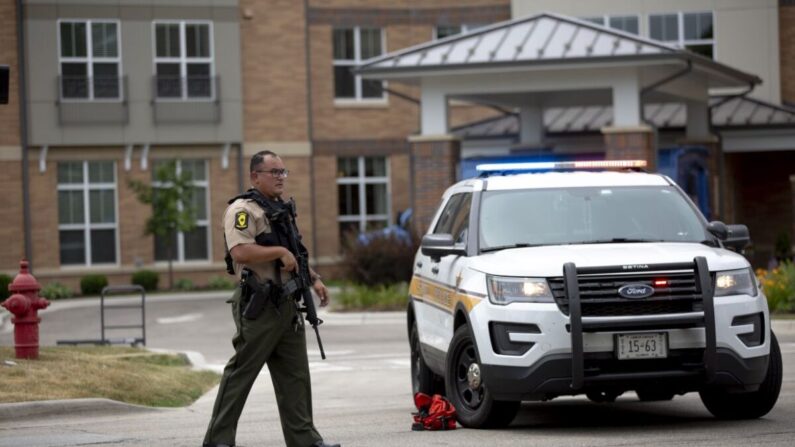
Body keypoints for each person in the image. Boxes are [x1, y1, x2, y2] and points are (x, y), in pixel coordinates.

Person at [203, 150, 339, 447]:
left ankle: (304, 439)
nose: (280, 177)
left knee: (295, 377)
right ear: (255, 176)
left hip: (288, 305)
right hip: (260, 304)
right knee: (241, 374)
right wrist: (278, 253)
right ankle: (218, 440)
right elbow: (240, 252)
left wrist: (313, 279)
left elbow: (293, 249)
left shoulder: (279, 208)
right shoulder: (242, 210)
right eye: (273, 172)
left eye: (283, 172)